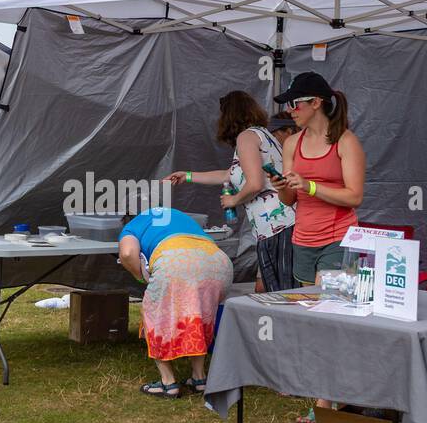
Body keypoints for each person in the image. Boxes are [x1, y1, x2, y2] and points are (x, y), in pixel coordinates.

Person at [272, 71, 364, 415]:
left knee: (330, 318)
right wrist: (283, 185)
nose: (290, 110)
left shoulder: (345, 142)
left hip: (339, 238)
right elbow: (288, 202)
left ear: (316, 103)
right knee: (312, 320)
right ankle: (330, 391)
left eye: (295, 104)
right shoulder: (291, 144)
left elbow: (354, 196)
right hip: (303, 239)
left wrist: (309, 185)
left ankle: (325, 403)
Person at [164, 91, 296, 291]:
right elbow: (229, 174)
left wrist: (233, 200)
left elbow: (255, 184)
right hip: (279, 227)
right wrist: (188, 176)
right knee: (281, 290)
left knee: (282, 293)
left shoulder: (246, 137)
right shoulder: (262, 134)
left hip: (279, 227)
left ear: (228, 116)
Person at [119, 206, 233, 397]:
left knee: (155, 318)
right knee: (198, 317)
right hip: (219, 264)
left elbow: (128, 253)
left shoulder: (133, 226)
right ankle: (199, 378)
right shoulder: (179, 216)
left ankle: (168, 383)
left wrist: (140, 277)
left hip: (177, 262)